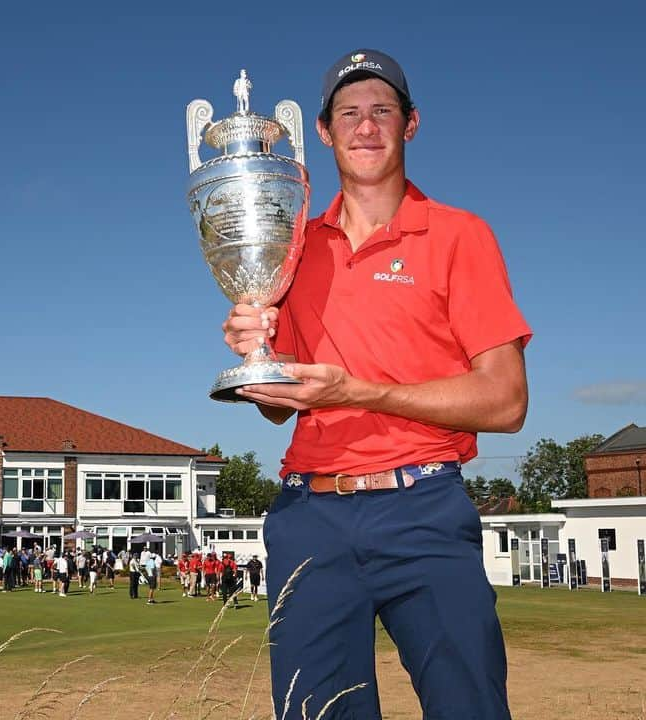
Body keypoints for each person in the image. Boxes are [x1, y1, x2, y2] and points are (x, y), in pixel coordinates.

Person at [222, 49, 530, 720]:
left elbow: (506, 402)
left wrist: (357, 391)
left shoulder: (460, 235)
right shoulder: (295, 246)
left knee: (469, 708)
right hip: (308, 517)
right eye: (350, 113)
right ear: (325, 133)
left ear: (410, 125)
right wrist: (261, 358)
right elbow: (283, 411)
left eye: (383, 111)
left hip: (422, 509)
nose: (367, 126)